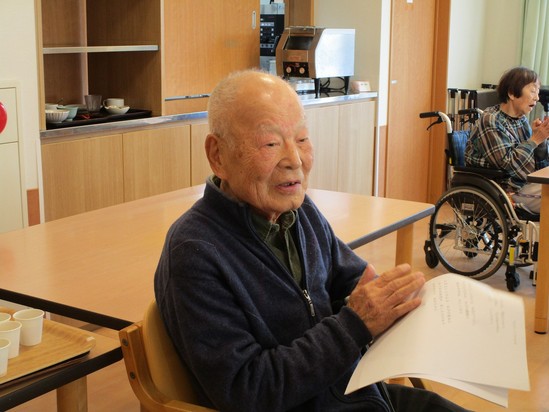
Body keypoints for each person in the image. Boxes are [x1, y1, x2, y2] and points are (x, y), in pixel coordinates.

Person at [154, 70, 468, 412]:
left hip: (354, 390)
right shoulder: (194, 253)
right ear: (218, 155)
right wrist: (355, 324)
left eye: (302, 139)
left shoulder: (299, 213)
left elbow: (352, 278)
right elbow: (248, 391)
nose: (295, 160)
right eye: (270, 143)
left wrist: (405, 303)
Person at [464, 66, 549, 214]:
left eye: (537, 91)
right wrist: (534, 140)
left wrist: (541, 141)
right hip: (504, 188)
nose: (537, 97)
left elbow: (537, 165)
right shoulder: (491, 119)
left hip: (522, 183)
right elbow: (507, 163)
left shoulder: (521, 120)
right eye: (532, 91)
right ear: (511, 93)